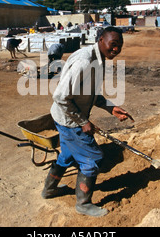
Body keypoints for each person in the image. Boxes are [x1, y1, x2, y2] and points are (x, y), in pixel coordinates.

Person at [42, 26, 134, 217]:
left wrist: (111, 107)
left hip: (65, 117)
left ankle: (49, 189)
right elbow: (60, 97)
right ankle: (83, 204)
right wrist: (83, 121)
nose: (116, 49)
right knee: (93, 159)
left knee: (67, 155)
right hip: (69, 120)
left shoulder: (97, 60)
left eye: (120, 46)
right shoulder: (84, 61)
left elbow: (89, 92)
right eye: (113, 44)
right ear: (101, 40)